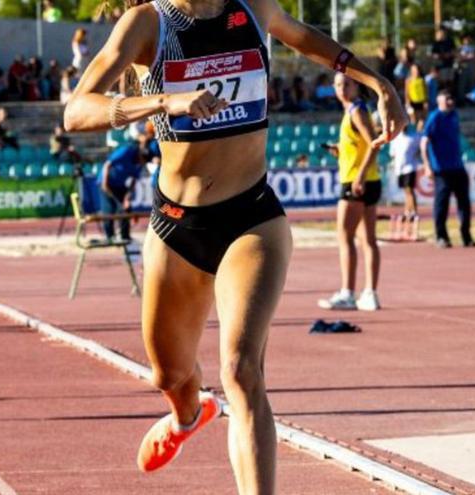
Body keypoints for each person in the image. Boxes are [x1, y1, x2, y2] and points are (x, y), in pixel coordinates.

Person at [63, 0, 406, 492]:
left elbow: (305, 37)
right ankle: (187, 415)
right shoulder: (148, 23)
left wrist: (379, 83)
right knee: (168, 373)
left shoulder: (254, 6)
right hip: (175, 225)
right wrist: (164, 101)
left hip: (251, 217)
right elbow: (77, 111)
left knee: (241, 370)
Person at [318, 74, 383, 312]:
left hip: (356, 182)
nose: (342, 89)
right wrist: (341, 150)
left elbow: (374, 143)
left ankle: (348, 292)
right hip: (368, 180)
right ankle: (370, 293)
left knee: (345, 237)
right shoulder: (353, 112)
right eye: (338, 85)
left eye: (347, 84)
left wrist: (359, 175)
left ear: (356, 86)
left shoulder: (356, 110)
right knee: (368, 240)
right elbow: (360, 145)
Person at [421, 90, 475, 249]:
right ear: (439, 101)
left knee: (464, 203)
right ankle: (441, 237)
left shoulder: (454, 115)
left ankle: (466, 237)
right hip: (442, 169)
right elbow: (424, 142)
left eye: (452, 98)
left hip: (458, 167)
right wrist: (427, 165)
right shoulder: (434, 117)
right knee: (442, 204)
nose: (451, 101)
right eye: (447, 99)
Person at [98, 138, 145, 242]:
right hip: (107, 183)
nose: (142, 162)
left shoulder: (141, 163)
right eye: (142, 158)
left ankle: (125, 236)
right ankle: (109, 237)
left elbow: (134, 181)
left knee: (125, 209)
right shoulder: (126, 151)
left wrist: (127, 197)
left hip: (120, 185)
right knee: (109, 210)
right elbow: (107, 164)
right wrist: (105, 184)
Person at [389, 123, 422, 235]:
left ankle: (414, 212)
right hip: (399, 169)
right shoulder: (396, 139)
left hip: (410, 167)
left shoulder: (413, 137)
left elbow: (421, 147)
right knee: (405, 191)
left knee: (409, 190)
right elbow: (393, 154)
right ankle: (407, 211)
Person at [405, 64, 428, 128]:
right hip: (412, 102)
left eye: (417, 70)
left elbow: (425, 91)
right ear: (411, 71)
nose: (416, 71)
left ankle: (419, 132)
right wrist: (407, 102)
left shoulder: (422, 79)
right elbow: (407, 92)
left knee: (422, 120)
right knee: (413, 120)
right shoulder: (409, 80)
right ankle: (414, 132)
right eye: (414, 70)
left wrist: (426, 102)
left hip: (421, 101)